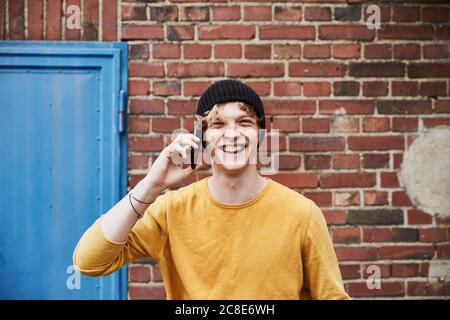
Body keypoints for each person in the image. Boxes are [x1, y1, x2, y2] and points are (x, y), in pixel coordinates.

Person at [73, 79, 350, 300]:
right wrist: (151, 185)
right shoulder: (170, 209)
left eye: (244, 122)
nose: (232, 133)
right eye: (218, 124)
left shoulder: (302, 214)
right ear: (202, 137)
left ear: (261, 134)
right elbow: (89, 262)